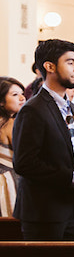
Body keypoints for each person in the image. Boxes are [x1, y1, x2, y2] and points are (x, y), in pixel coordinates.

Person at [13, 39, 74, 240]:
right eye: (70, 62)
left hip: (71, 207)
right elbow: (25, 163)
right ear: (49, 66)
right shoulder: (33, 109)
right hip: (43, 211)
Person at [0, 77, 26, 218]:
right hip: (7, 183)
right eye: (15, 95)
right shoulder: (10, 124)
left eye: (22, 93)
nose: (22, 98)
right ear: (1, 102)